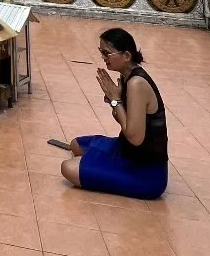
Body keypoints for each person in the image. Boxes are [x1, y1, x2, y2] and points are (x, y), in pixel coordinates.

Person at [60, 28, 168, 199]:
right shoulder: (126, 76)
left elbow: (135, 137)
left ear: (126, 56)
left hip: (145, 171)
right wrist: (115, 102)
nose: (103, 58)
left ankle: (103, 166)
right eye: (101, 52)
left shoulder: (137, 84)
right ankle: (100, 163)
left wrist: (115, 100)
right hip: (125, 149)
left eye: (107, 53)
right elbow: (121, 119)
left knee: (68, 167)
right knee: (75, 144)